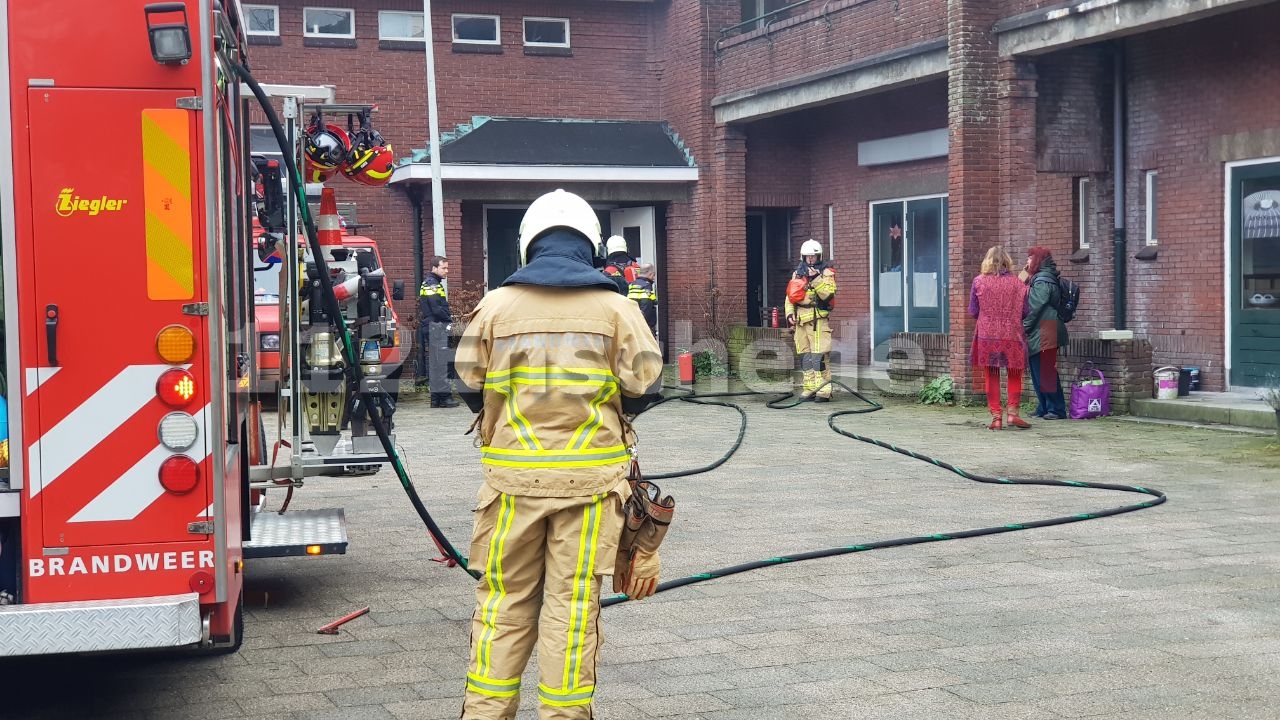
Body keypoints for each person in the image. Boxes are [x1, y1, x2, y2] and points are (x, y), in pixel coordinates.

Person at [454, 189, 665, 720]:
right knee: (571, 611)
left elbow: (465, 383)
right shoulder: (616, 308)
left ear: (529, 244)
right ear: (590, 246)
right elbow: (646, 386)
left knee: (501, 605)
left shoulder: (496, 306)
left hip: (509, 489)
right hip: (590, 490)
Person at [969, 246, 1031, 431]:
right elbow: (1026, 311)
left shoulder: (978, 281)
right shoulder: (1018, 284)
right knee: (1014, 373)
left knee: (992, 374)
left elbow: (973, 310)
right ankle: (1013, 414)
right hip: (1012, 334)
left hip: (987, 335)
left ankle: (996, 418)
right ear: (1007, 261)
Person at [784, 239, 837, 402]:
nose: (811, 259)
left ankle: (823, 391)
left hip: (818, 321)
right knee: (804, 356)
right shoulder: (797, 273)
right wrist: (789, 314)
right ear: (803, 257)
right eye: (808, 257)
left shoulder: (826, 273)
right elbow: (789, 297)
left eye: (813, 256)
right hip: (800, 321)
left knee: (818, 357)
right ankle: (809, 388)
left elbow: (828, 295)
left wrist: (815, 279)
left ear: (819, 256)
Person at [1022, 246, 1069, 419]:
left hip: (1046, 328)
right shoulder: (1038, 276)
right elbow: (1017, 285)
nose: (1026, 260)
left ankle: (1056, 409)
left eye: (1029, 258)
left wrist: (1023, 326)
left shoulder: (1043, 280)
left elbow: (1035, 307)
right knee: (1037, 371)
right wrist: (1026, 271)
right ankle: (1044, 406)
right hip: (1042, 328)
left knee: (1045, 371)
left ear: (1038, 260)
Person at [418, 255, 458, 408]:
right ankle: (445, 398)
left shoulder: (430, 283)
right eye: (444, 268)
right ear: (434, 268)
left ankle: (436, 399)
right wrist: (449, 319)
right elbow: (436, 308)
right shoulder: (432, 285)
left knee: (435, 364)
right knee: (441, 363)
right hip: (437, 326)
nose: (447, 271)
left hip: (432, 327)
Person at [626, 262, 658, 337]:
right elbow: (646, 305)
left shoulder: (632, 284)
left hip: (633, 321)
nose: (653, 278)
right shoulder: (646, 285)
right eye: (653, 275)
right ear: (650, 274)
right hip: (644, 325)